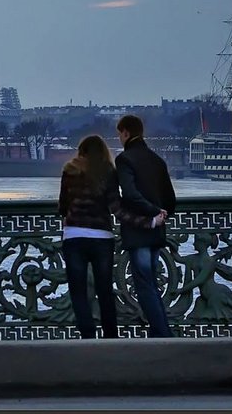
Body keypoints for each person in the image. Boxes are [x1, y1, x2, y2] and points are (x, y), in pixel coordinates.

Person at [58, 134, 164, 339]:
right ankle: (110, 336)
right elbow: (118, 210)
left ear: (81, 151)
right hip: (101, 238)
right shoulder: (108, 172)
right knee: (104, 290)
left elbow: (63, 206)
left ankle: (87, 336)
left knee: (78, 291)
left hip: (73, 236)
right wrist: (150, 222)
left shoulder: (69, 171)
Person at [114, 114, 177, 338]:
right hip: (157, 232)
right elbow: (170, 200)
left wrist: (152, 212)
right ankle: (161, 332)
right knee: (152, 285)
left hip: (138, 231)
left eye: (119, 134)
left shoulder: (124, 159)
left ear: (126, 133)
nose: (119, 139)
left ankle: (162, 334)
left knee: (145, 286)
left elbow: (130, 194)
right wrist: (161, 213)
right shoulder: (157, 160)